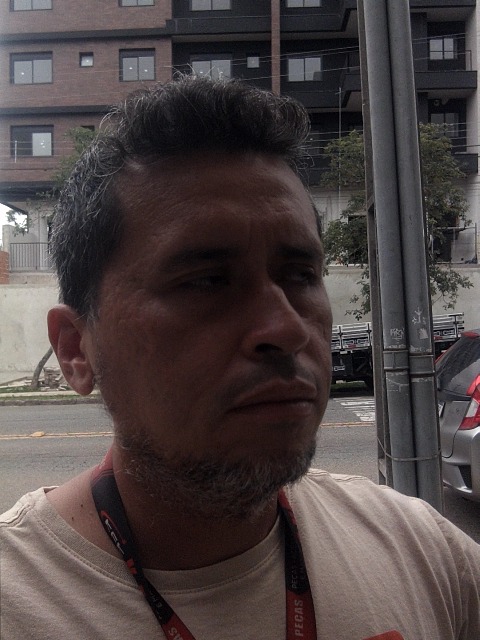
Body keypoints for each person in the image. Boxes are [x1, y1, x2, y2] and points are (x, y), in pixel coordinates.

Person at [0, 76, 478, 640]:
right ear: (75, 349)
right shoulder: (19, 603)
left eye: (300, 275)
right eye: (206, 281)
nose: (287, 328)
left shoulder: (425, 556)